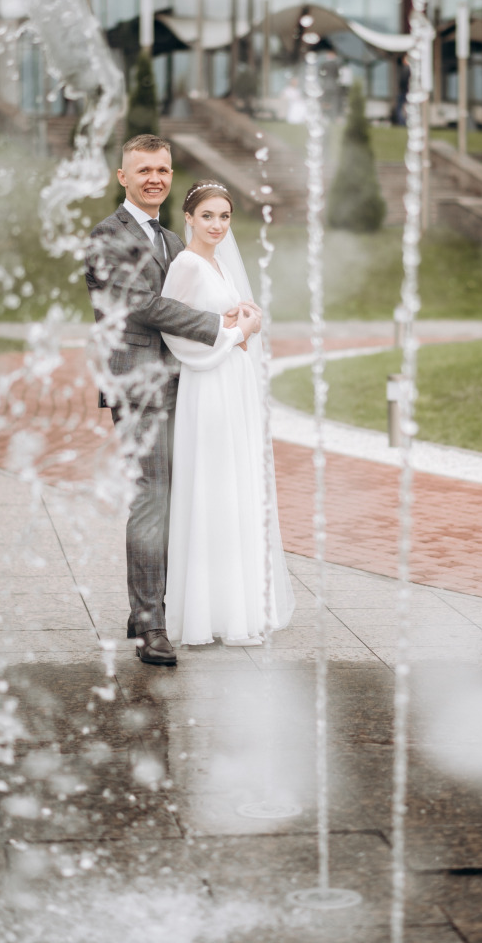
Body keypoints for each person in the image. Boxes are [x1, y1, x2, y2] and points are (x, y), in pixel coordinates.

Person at [85, 135, 258, 667]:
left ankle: (152, 609)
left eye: (162, 169)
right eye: (143, 170)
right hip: (139, 387)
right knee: (152, 498)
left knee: (178, 497)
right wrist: (219, 325)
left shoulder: (168, 238)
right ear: (123, 177)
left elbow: (184, 294)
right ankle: (149, 627)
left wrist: (232, 312)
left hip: (184, 382)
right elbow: (143, 306)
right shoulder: (106, 237)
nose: (155, 178)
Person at [160, 181, 294, 647]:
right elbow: (174, 333)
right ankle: (203, 612)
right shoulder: (186, 264)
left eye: (225, 216)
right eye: (208, 216)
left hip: (232, 383)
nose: (217, 225)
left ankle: (235, 606)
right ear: (189, 219)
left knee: (235, 488)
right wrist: (237, 334)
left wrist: (245, 319)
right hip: (208, 385)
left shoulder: (219, 264)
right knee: (211, 488)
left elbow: (225, 318)